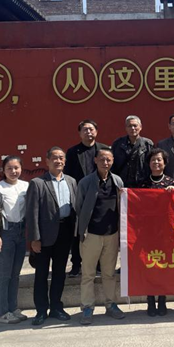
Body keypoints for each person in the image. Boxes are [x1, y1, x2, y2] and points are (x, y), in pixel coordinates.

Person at [26, 147, 77, 326]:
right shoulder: (38, 183)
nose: (58, 161)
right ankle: (41, 311)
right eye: (54, 158)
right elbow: (32, 213)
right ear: (47, 161)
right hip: (44, 235)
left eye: (61, 158)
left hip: (65, 232)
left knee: (59, 273)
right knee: (41, 274)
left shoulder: (71, 181)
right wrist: (34, 239)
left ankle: (56, 307)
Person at [76, 148, 126, 324]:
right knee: (88, 273)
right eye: (102, 159)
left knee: (109, 273)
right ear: (95, 160)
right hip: (91, 234)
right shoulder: (85, 182)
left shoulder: (117, 180)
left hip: (111, 234)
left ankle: (111, 304)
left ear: (112, 161)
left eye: (109, 160)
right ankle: (87, 307)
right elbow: (79, 207)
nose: (105, 163)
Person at [0, 155, 29, 324]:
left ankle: (13, 308)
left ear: (21, 169)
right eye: (9, 168)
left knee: (15, 274)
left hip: (21, 232)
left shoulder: (26, 186)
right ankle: (2, 311)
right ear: (3, 170)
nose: (13, 171)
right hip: (5, 233)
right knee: (4, 275)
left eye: (16, 168)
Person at [64, 119, 110, 277]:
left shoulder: (104, 149)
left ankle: (98, 264)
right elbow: (68, 175)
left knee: (98, 231)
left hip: (100, 196)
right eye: (85, 129)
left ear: (96, 131)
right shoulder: (72, 152)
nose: (88, 132)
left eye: (91, 129)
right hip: (80, 196)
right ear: (80, 133)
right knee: (78, 231)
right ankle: (76, 264)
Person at [141, 147, 174, 317]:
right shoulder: (142, 183)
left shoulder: (172, 182)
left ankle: (162, 300)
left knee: (163, 266)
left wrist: (173, 193)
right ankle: (150, 301)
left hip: (165, 232)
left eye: (159, 160)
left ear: (165, 163)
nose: (156, 162)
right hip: (147, 232)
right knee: (148, 266)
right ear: (149, 163)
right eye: (153, 160)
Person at [112, 115, 153, 188]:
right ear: (126, 128)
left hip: (142, 184)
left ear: (140, 127)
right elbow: (113, 164)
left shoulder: (148, 144)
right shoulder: (118, 144)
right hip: (122, 184)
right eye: (129, 126)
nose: (133, 128)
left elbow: (151, 165)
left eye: (135, 125)